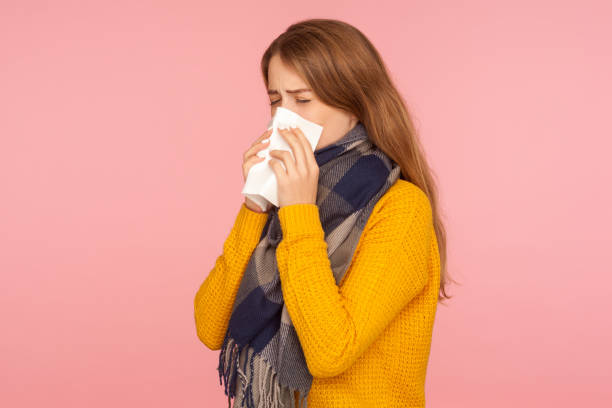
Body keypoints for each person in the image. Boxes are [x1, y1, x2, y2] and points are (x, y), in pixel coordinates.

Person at [194, 18, 455, 408]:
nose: (285, 116)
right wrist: (255, 204)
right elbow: (210, 326)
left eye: (302, 100)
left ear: (354, 102)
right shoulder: (284, 197)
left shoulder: (402, 209)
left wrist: (299, 210)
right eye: (276, 100)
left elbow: (330, 351)